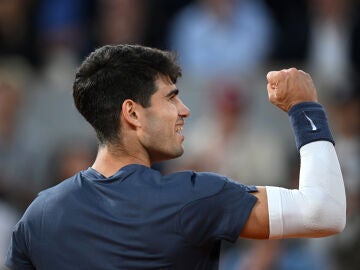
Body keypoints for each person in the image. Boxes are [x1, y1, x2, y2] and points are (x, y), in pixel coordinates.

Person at [5, 44, 346, 270]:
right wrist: (305, 108)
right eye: (171, 98)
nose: (184, 110)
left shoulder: (39, 216)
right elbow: (324, 211)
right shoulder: (193, 198)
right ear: (133, 113)